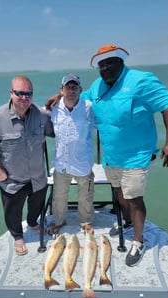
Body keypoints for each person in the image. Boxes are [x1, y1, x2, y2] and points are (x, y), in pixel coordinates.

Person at [45, 44, 168, 267]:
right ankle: (126, 222)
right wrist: (57, 95)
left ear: (121, 62)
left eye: (110, 63)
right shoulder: (97, 86)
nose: (105, 68)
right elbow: (78, 97)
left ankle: (138, 241)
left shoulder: (141, 80)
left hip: (136, 156)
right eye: (101, 65)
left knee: (134, 199)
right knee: (119, 194)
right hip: (111, 157)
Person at [0, 76, 54, 256]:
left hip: (37, 177)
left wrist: (62, 102)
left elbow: (59, 130)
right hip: (12, 180)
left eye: (28, 94)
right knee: (13, 212)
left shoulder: (41, 115)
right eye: (20, 93)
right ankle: (17, 235)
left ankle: (33, 223)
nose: (24, 98)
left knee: (36, 207)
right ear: (11, 93)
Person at [48, 73, 95, 236]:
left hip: (82, 162)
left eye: (75, 87)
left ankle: (86, 221)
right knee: (59, 197)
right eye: (68, 87)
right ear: (61, 90)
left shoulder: (88, 107)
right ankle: (59, 221)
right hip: (61, 163)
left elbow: (103, 125)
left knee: (86, 197)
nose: (71, 90)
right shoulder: (52, 108)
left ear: (80, 90)